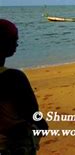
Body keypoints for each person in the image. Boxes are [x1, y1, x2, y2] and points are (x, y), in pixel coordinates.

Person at [0, 19, 48, 154]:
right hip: (12, 146)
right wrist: (41, 125)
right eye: (14, 40)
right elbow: (32, 112)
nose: (17, 44)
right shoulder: (14, 77)